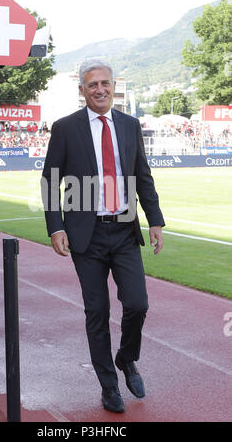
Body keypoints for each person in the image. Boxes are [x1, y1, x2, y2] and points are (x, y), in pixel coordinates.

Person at [41, 59, 165, 413]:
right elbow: (51, 181)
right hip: (87, 236)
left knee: (138, 304)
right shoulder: (66, 128)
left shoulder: (129, 125)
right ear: (82, 90)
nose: (100, 89)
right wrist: (56, 225)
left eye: (105, 83)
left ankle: (127, 358)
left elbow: (143, 176)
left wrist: (154, 220)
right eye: (92, 84)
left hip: (125, 229)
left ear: (113, 86)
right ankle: (109, 386)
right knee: (97, 312)